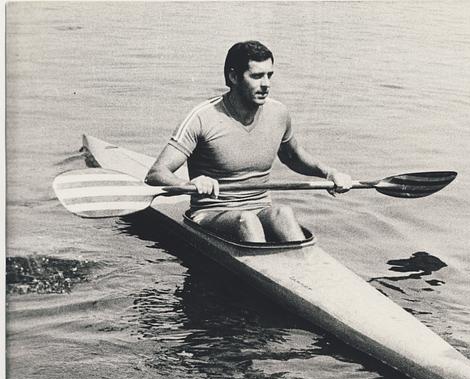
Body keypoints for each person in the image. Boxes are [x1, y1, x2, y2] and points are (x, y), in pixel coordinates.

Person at [145, 40, 352, 243]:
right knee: (247, 221)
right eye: (256, 76)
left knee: (283, 213)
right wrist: (189, 184)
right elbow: (156, 174)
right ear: (234, 77)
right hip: (211, 211)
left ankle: (302, 263)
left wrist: (329, 173)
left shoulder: (279, 113)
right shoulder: (202, 117)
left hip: (260, 208)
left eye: (269, 75)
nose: (266, 84)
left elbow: (293, 156)